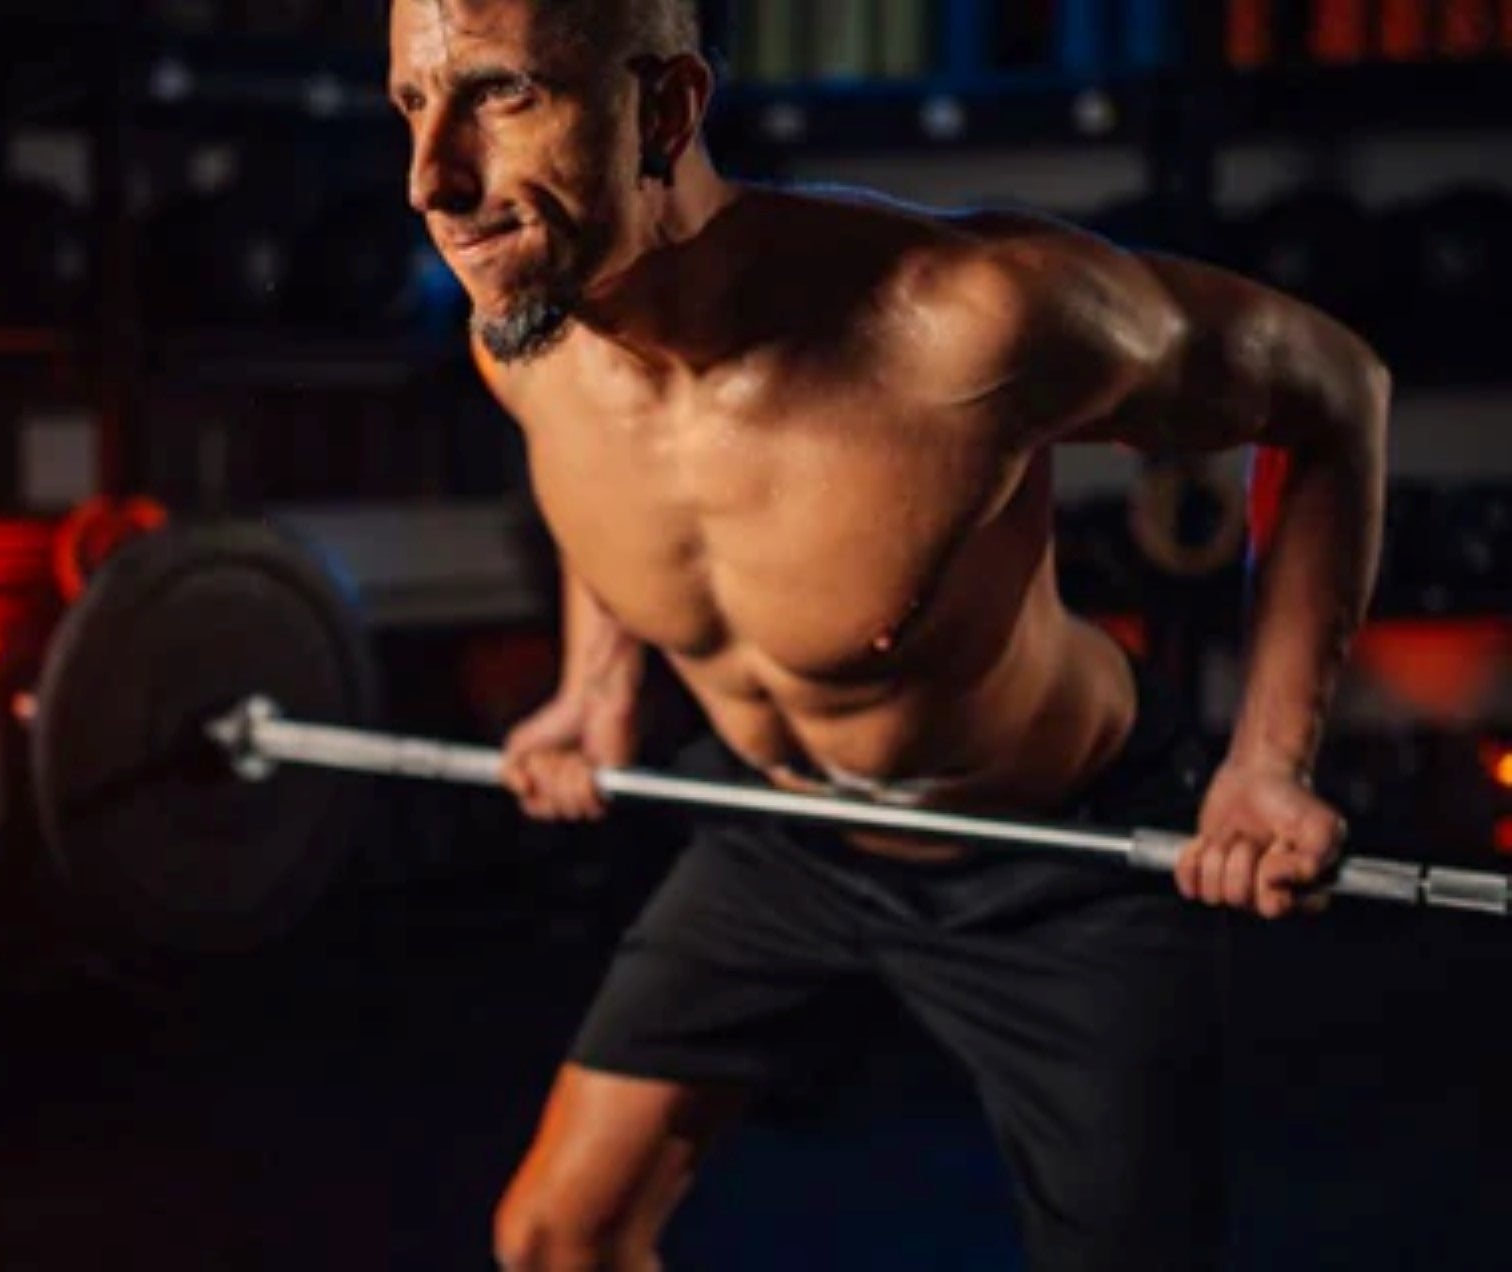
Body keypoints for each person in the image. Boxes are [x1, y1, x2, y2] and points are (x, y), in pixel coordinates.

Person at [385, 1, 1389, 1268]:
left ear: (668, 110)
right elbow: (631, 493)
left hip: (1051, 848)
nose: (434, 182)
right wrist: (596, 686)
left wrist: (1270, 765)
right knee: (554, 1239)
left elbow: (1337, 392)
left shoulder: (970, 323)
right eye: (412, 108)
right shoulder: (524, 333)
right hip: (783, 825)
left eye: (502, 95)